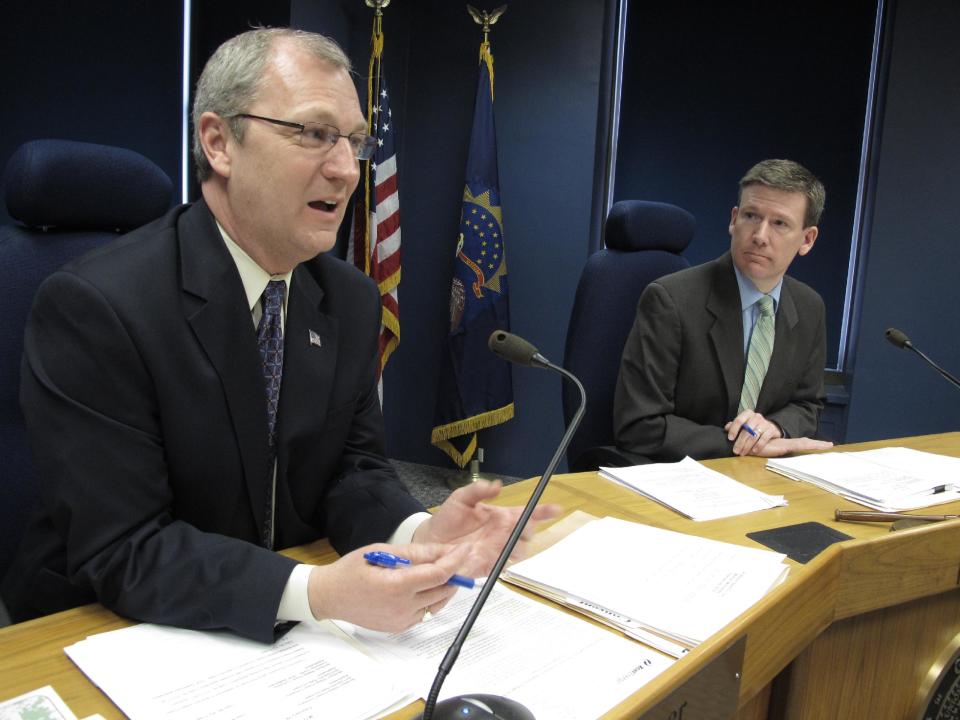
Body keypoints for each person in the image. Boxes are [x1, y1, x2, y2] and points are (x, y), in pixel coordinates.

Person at [1, 28, 558, 642]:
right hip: (102, 628)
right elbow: (124, 545)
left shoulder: (348, 298)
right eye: (314, 133)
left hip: (268, 623)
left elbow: (354, 470)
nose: (347, 169)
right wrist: (313, 594)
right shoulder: (96, 306)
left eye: (354, 140)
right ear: (219, 143)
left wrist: (418, 535)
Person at [613, 159, 835, 463]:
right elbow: (638, 425)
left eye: (779, 223)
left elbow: (808, 405)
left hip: (763, 479)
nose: (759, 235)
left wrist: (775, 427)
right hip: (676, 473)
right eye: (751, 216)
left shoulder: (810, 307)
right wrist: (744, 445)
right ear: (734, 220)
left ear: (807, 239)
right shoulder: (670, 300)